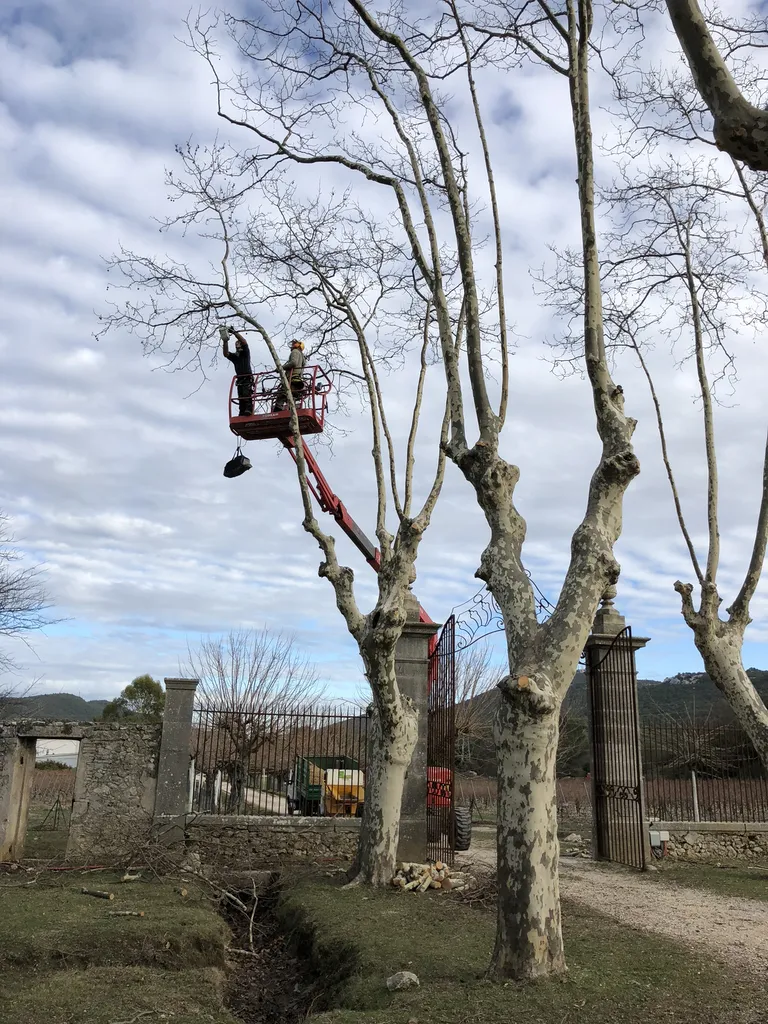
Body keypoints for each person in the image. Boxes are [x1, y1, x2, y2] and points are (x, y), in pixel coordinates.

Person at [220, 325, 253, 416]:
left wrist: (234, 332)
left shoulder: (245, 353)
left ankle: (248, 410)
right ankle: (242, 411)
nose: (237, 344)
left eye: (238, 343)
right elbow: (226, 353)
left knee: (246, 394)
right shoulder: (235, 357)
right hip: (240, 379)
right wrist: (225, 341)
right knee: (241, 396)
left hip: (247, 377)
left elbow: (244, 341)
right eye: (236, 344)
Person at [273, 339, 306, 411]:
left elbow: (293, 363)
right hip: (298, 380)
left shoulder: (295, 351)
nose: (292, 345)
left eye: (294, 344)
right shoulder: (302, 357)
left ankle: (277, 411)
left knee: (281, 395)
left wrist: (280, 368)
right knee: (291, 396)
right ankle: (292, 410)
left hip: (292, 379)